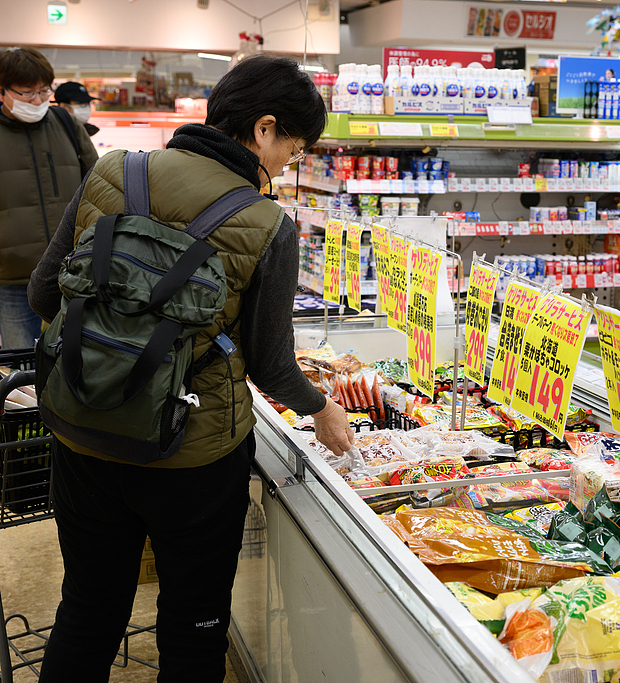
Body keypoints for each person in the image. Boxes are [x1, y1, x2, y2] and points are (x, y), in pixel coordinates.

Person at [28, 54, 355, 683]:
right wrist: (322, 406)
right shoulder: (266, 224)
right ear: (263, 129)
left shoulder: (111, 170)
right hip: (191, 455)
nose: (291, 161)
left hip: (82, 430)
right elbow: (271, 366)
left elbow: (45, 294)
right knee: (194, 623)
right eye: (295, 145)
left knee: (88, 609)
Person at [0, 47, 97, 349]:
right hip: (12, 277)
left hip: (71, 271)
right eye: (28, 93)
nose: (39, 100)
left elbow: (98, 184)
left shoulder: (67, 124)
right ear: (2, 91)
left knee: (75, 359)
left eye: (44, 91)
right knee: (21, 369)